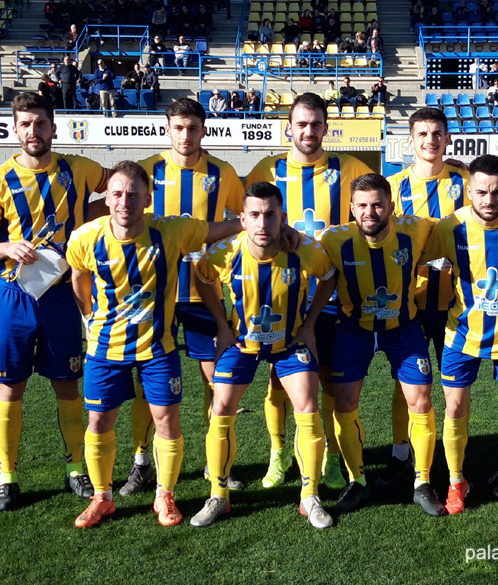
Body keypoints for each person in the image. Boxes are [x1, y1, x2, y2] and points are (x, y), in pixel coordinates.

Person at [66, 161, 240, 528]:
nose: (124, 201)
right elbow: (79, 277)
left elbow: (222, 227)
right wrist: (88, 317)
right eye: (117, 193)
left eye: (133, 194)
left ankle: (165, 495)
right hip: (105, 348)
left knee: (167, 421)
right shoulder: (85, 237)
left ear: (147, 199)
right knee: (98, 421)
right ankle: (103, 498)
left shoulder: (172, 230)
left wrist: (268, 223)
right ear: (107, 197)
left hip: (157, 349)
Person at [0, 92, 109, 512]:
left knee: (67, 384)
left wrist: (89, 212)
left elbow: (121, 186)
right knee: (11, 389)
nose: (33, 131)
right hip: (14, 294)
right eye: (25, 123)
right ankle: (7, 476)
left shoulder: (79, 169)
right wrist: (7, 247)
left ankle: (75, 468)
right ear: (16, 128)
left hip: (62, 294)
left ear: (53, 127)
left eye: (40, 123)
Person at [245, 92, 373, 491]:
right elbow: (249, 221)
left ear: (327, 128)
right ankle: (278, 453)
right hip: (280, 295)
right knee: (277, 381)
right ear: (289, 127)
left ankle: (333, 457)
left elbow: (376, 209)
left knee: (331, 381)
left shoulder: (350, 168)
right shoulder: (267, 169)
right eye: (301, 124)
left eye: (316, 124)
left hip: (334, 295)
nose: (309, 131)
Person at [190, 181, 335, 528]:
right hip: (241, 343)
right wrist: (222, 326)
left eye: (270, 215)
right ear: (242, 218)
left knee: (308, 406)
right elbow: (201, 277)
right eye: (254, 215)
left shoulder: (306, 251)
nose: (262, 223)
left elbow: (328, 278)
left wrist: (310, 323)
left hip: (289, 343)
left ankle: (309, 496)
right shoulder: (226, 252)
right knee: (221, 407)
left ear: (282, 218)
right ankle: (218, 496)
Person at [120, 99, 247, 496]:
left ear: (203, 130)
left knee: (216, 380)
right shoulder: (148, 172)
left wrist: (214, 248)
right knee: (147, 381)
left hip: (202, 293)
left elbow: (242, 221)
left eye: (193, 128)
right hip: (152, 296)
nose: (186, 135)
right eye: (178, 127)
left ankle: (215, 465)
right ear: (168, 129)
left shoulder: (222, 173)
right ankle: (142, 463)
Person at [420, 154, 498, 520]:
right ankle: (456, 482)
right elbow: (430, 261)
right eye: (481, 192)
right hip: (461, 335)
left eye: (496, 192)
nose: (489, 200)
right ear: (468, 192)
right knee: (455, 409)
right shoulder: (449, 228)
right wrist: (453, 268)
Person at [314, 173, 445, 517]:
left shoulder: (415, 229)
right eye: (362, 206)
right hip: (353, 329)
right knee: (344, 401)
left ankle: (422, 482)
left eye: (377, 204)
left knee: (420, 399)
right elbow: (301, 254)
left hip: (402, 328)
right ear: (351, 209)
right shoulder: (332, 239)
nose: (370, 212)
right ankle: (357, 480)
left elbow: (453, 226)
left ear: (390, 206)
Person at [384, 107, 470, 491]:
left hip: (459, 304)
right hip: (412, 303)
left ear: (448, 138)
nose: (430, 140)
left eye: (437, 133)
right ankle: (402, 453)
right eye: (423, 134)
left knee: (456, 388)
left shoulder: (466, 180)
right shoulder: (393, 186)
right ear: (410, 140)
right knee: (408, 385)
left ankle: (456, 463)